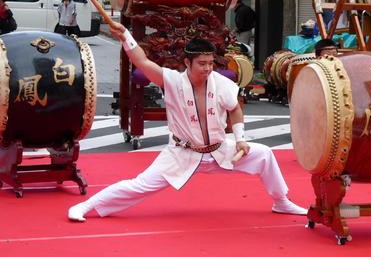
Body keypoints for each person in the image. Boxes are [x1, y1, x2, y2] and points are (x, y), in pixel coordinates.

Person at [68, 25, 307, 222]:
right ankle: (87, 206)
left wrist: (241, 138)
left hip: (219, 149)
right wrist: (126, 36)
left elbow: (234, 108)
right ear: (187, 63)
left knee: (264, 155)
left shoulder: (220, 83)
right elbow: (142, 61)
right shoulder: (171, 80)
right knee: (139, 185)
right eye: (202, 63)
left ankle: (281, 201)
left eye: (211, 63)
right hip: (181, 152)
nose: (207, 68)